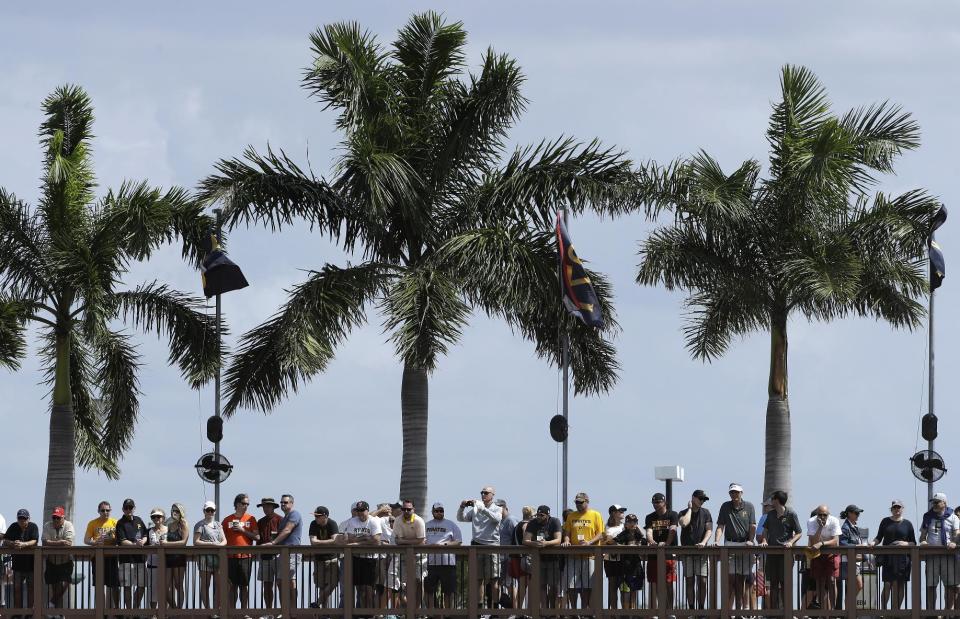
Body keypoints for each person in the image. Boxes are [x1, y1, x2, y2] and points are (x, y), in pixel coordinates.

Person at [457, 485, 503, 610]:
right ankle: (479, 608)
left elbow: (497, 519)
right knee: (479, 579)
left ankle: (495, 609)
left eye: (486, 493)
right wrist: (462, 507)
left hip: (492, 546)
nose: (483, 495)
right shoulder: (476, 509)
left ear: (493, 495)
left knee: (494, 579)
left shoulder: (497, 508)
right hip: (477, 546)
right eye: (482, 492)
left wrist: (482, 509)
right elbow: (460, 518)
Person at [714, 482, 756, 611]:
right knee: (730, 579)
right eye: (732, 492)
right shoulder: (725, 506)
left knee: (742, 580)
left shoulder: (749, 506)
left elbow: (752, 525)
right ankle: (727, 610)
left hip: (745, 544)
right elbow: (721, 525)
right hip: (730, 544)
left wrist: (750, 540)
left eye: (736, 492)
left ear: (741, 493)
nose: (734, 494)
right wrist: (716, 540)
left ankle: (740, 610)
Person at [757, 490, 801, 609]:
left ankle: (786, 611)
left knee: (785, 583)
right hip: (772, 553)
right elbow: (765, 530)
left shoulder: (791, 514)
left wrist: (791, 542)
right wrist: (765, 541)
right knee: (773, 583)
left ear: (776, 500)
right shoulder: (770, 514)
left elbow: (799, 532)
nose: (771, 501)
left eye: (772, 498)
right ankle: (774, 612)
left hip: (786, 554)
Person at [869, 499, 916, 610]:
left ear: (902, 509)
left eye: (899, 507)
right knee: (887, 585)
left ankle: (896, 611)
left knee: (900, 585)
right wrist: (872, 543)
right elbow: (878, 537)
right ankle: (884, 611)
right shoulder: (885, 521)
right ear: (891, 509)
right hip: (888, 558)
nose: (896, 509)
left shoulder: (908, 524)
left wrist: (904, 543)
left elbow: (913, 542)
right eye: (894, 507)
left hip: (903, 559)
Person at [561, 491, 604, 611]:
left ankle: (584, 610)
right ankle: (574, 611)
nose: (578, 504)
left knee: (587, 586)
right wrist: (566, 540)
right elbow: (567, 533)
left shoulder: (596, 514)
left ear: (587, 502)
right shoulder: (571, 516)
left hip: (589, 556)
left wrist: (589, 543)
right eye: (576, 502)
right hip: (573, 556)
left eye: (580, 502)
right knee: (571, 585)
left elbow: (601, 534)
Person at [261, 494, 302, 613]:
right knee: (284, 582)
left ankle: (291, 610)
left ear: (291, 503)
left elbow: (288, 530)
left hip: (292, 552)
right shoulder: (284, 518)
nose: (283, 504)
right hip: (284, 553)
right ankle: (286, 610)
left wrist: (273, 543)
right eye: (282, 502)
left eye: (286, 502)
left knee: (286, 581)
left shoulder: (294, 514)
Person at [919, 492, 960, 611]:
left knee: (950, 585)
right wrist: (923, 542)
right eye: (933, 502)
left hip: (949, 555)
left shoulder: (953, 516)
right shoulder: (927, 516)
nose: (934, 504)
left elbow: (957, 533)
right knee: (931, 585)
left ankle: (948, 612)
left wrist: (954, 542)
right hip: (932, 555)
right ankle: (931, 612)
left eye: (937, 502)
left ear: (944, 503)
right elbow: (922, 536)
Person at [341, 500, 383, 611]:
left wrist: (358, 542)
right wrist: (365, 538)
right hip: (356, 558)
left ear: (367, 510)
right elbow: (350, 539)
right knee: (359, 587)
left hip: (370, 559)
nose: (360, 513)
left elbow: (377, 541)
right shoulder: (353, 521)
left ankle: (370, 612)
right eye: (358, 510)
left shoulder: (373, 521)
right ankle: (362, 612)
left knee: (369, 588)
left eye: (362, 510)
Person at [223, 493, 259, 613]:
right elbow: (220, 538)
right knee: (232, 586)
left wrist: (242, 530)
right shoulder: (227, 520)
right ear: (237, 504)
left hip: (246, 557)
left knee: (244, 586)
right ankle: (232, 612)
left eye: (248, 504)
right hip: (230, 557)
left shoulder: (251, 519)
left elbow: (257, 537)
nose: (246, 506)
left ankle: (244, 612)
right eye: (244, 503)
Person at [523, 505, 563, 611]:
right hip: (539, 559)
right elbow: (525, 540)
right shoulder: (532, 523)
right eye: (538, 515)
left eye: (542, 515)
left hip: (553, 559)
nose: (539, 517)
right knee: (541, 585)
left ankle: (553, 610)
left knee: (554, 586)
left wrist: (546, 544)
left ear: (547, 515)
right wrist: (534, 543)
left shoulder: (554, 521)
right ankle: (544, 609)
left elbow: (558, 540)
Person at [424, 502, 462, 612]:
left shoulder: (451, 524)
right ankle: (431, 613)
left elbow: (458, 541)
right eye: (437, 511)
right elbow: (422, 540)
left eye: (441, 510)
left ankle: (448, 614)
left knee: (448, 591)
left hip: (448, 563)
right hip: (431, 563)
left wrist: (444, 545)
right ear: (432, 512)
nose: (439, 513)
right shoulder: (427, 525)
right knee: (429, 590)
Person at [678, 489, 712, 611]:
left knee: (703, 580)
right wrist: (689, 509)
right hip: (687, 552)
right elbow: (683, 523)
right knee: (689, 581)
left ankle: (701, 608)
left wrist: (703, 542)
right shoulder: (683, 512)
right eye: (700, 498)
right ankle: (692, 608)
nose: (702, 501)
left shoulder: (706, 512)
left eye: (704, 499)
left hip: (702, 552)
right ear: (693, 498)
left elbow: (709, 529)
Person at [645, 492, 678, 612]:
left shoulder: (672, 514)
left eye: (658, 502)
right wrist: (652, 542)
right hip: (654, 555)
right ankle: (658, 610)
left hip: (669, 554)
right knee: (655, 583)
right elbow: (648, 532)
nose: (656, 504)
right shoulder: (650, 517)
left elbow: (673, 530)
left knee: (669, 583)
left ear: (664, 502)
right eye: (654, 502)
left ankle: (670, 610)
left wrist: (667, 544)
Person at [85, 501, 121, 611]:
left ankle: (116, 608)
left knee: (114, 584)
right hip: (98, 556)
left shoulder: (115, 522)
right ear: (98, 511)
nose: (105, 512)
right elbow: (86, 540)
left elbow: (120, 539)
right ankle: (101, 610)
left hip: (112, 556)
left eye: (107, 510)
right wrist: (95, 542)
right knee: (99, 585)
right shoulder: (92, 523)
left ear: (110, 510)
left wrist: (112, 539)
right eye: (103, 510)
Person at [115, 498, 148, 612]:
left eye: (130, 507)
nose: (128, 510)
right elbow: (122, 541)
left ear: (134, 508)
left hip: (140, 559)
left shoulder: (139, 520)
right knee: (127, 587)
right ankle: (129, 612)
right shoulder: (120, 523)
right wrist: (135, 545)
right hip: (126, 560)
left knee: (142, 585)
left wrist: (143, 541)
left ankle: (135, 609)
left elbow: (145, 534)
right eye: (126, 508)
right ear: (123, 509)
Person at [194, 500, 226, 615]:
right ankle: (208, 609)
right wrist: (211, 544)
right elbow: (196, 542)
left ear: (215, 511)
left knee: (219, 584)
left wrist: (219, 546)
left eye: (212, 510)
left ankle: (216, 609)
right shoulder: (200, 525)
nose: (210, 512)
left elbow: (224, 540)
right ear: (204, 511)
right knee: (205, 584)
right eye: (208, 510)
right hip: (204, 558)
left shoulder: (218, 524)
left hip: (217, 558)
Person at [807, 504, 841, 610]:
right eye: (820, 515)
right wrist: (820, 527)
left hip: (831, 553)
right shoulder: (811, 522)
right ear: (817, 515)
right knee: (819, 582)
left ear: (828, 514)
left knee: (831, 580)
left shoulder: (834, 521)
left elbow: (835, 541)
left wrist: (821, 543)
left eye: (825, 515)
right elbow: (813, 541)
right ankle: (822, 611)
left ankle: (833, 611)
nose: (822, 517)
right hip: (817, 555)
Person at [5, 509, 39, 612]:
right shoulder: (13, 526)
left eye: (24, 518)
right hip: (17, 565)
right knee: (17, 589)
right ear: (17, 519)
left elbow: (35, 540)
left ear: (29, 519)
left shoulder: (33, 526)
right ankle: (17, 612)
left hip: (31, 565)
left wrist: (24, 544)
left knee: (31, 589)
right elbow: (6, 539)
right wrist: (13, 543)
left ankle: (29, 612)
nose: (22, 520)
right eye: (20, 518)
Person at [42, 506, 75, 611]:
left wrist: (52, 543)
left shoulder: (68, 525)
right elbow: (44, 542)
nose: (56, 520)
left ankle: (52, 604)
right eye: (54, 517)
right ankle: (58, 613)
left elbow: (68, 543)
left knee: (65, 583)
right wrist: (60, 542)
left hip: (66, 561)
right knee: (55, 587)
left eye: (58, 518)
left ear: (63, 517)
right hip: (52, 561)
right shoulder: (47, 525)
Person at [308, 506, 339, 610]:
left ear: (325, 516)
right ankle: (324, 613)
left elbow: (335, 540)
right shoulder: (313, 524)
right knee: (322, 586)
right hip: (318, 559)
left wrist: (319, 543)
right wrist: (326, 542)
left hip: (332, 559)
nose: (316, 518)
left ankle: (317, 603)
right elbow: (313, 542)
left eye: (318, 516)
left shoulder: (332, 523)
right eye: (315, 516)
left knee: (333, 583)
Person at [613, 513, 646, 611]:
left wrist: (640, 531)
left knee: (634, 591)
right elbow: (613, 542)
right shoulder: (623, 534)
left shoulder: (639, 534)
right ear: (626, 523)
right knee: (625, 593)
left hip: (636, 568)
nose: (632, 524)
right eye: (629, 521)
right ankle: (625, 614)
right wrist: (622, 546)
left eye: (634, 521)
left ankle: (632, 613)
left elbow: (646, 542)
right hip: (624, 568)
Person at [256, 497, 282, 614]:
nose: (265, 508)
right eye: (264, 506)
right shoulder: (260, 522)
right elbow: (258, 540)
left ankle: (283, 611)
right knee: (266, 586)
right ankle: (269, 611)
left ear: (273, 507)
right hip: (264, 557)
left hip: (278, 556)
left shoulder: (280, 520)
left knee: (281, 585)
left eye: (268, 506)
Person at [837, 504, 864, 610]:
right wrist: (857, 546)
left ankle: (848, 611)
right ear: (849, 514)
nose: (858, 515)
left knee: (853, 588)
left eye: (858, 513)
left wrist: (865, 558)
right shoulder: (845, 528)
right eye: (856, 513)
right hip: (848, 562)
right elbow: (842, 544)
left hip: (853, 562)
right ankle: (849, 611)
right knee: (858, 585)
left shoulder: (853, 527)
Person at [164, 503, 190, 609]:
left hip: (179, 557)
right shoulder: (167, 524)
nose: (174, 512)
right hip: (168, 558)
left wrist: (167, 544)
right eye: (173, 510)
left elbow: (184, 542)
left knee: (178, 585)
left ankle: (178, 609)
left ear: (181, 512)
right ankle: (174, 607)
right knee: (165, 587)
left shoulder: (183, 524)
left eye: (177, 511)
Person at [603, 505, 627, 610]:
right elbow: (605, 541)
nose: (622, 512)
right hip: (610, 560)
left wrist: (613, 541)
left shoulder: (625, 526)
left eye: (622, 511)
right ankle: (613, 612)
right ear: (613, 513)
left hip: (623, 560)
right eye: (620, 511)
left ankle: (624, 613)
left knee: (623, 587)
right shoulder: (606, 527)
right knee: (612, 587)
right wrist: (615, 541)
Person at [511, 506, 534, 611]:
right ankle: (527, 610)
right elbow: (526, 540)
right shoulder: (526, 525)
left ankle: (519, 610)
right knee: (526, 586)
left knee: (521, 586)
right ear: (530, 516)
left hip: (516, 557)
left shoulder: (517, 525)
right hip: (523, 558)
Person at [497, 499, 518, 609]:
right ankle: (506, 611)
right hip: (500, 557)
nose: (498, 510)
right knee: (501, 585)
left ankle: (514, 610)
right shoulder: (499, 520)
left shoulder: (510, 520)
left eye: (500, 507)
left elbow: (516, 538)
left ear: (505, 508)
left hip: (509, 557)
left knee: (511, 585)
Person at [146, 507, 167, 611]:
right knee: (152, 590)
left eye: (158, 516)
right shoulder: (148, 531)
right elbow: (144, 545)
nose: (156, 518)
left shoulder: (169, 530)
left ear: (163, 517)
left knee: (167, 589)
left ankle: (167, 612)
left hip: (166, 565)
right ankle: (153, 613)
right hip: (152, 565)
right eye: (153, 517)